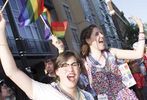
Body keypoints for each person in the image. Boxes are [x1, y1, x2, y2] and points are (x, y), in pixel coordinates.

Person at [0, 12, 94, 100]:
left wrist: (61, 49)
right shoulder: (46, 92)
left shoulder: (88, 96)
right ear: (57, 71)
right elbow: (12, 72)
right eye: (65, 65)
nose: (70, 69)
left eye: (74, 64)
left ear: (79, 68)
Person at [80, 16, 145, 100]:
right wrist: (61, 49)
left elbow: (138, 54)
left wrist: (141, 28)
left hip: (126, 97)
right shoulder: (85, 62)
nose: (101, 35)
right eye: (96, 34)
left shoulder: (112, 52)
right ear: (88, 40)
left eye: (101, 33)